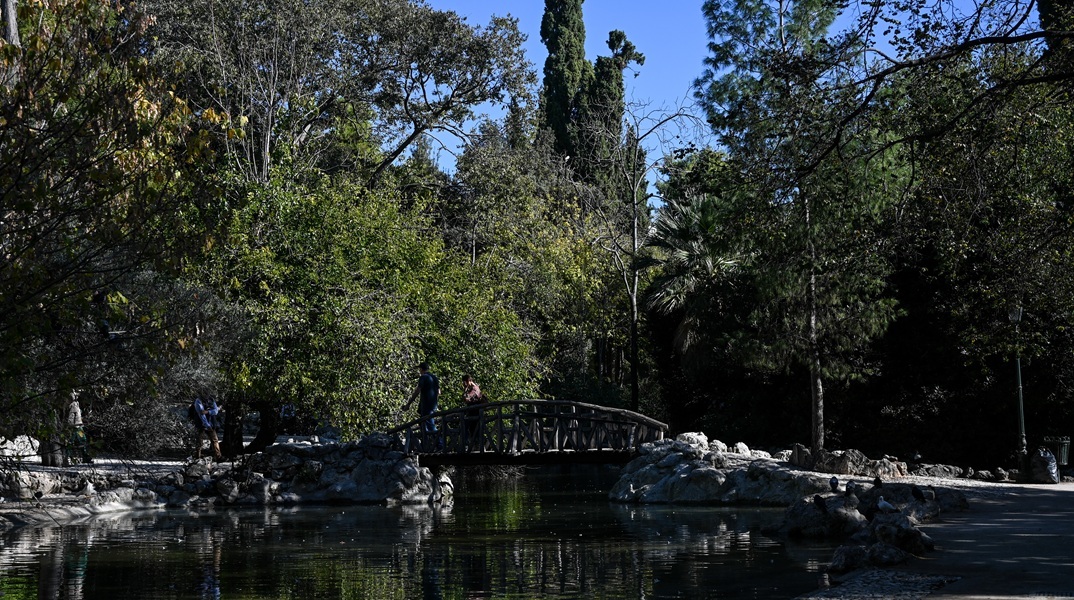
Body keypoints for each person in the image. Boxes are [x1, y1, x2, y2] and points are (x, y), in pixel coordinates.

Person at [404, 362, 440, 435]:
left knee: (430, 425)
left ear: (421, 369)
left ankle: (439, 444)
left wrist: (408, 404)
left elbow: (417, 391)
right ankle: (427, 443)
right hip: (433, 405)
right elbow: (439, 392)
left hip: (426, 405)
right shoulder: (434, 377)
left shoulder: (423, 377)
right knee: (424, 424)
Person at [193, 394, 223, 460]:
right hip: (200, 424)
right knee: (199, 441)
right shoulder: (198, 401)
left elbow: (216, 411)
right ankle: (197, 457)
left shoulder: (211, 400)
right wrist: (207, 425)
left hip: (211, 423)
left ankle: (218, 457)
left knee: (215, 440)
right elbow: (201, 415)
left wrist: (208, 412)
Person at [66, 390, 92, 464]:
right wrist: (71, 426)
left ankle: (85, 457)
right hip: (74, 427)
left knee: (83, 440)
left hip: (79, 426)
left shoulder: (77, 404)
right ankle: (68, 457)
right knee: (70, 442)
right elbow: (71, 417)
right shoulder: (73, 405)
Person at [462, 374, 486, 451]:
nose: (464, 384)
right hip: (473, 413)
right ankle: (476, 446)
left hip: (475, 412)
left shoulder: (474, 389)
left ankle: (471, 445)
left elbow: (466, 399)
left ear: (468, 381)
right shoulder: (472, 388)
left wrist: (465, 390)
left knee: (472, 428)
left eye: (465, 382)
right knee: (473, 430)